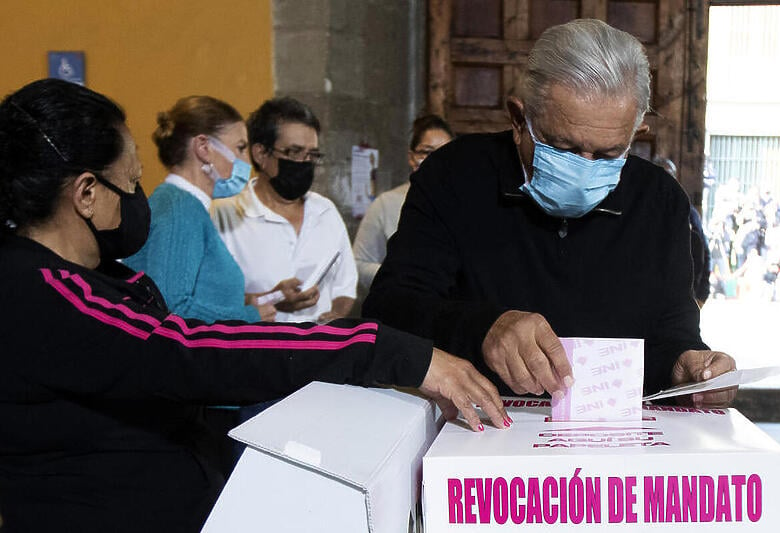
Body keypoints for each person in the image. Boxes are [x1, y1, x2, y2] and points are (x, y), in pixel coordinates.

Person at [0, 79, 509, 533]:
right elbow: (185, 350)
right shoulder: (38, 288)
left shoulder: (96, 276)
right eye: (131, 185)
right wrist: (381, 347)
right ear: (87, 193)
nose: (140, 199)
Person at [363, 19, 737, 408]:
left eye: (609, 153)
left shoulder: (660, 201)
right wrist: (484, 328)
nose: (585, 168)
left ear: (635, 132)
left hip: (613, 440)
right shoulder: (452, 176)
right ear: (518, 120)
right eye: (563, 147)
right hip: (479, 430)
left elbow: (671, 331)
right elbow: (389, 310)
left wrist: (687, 366)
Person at [124, 96, 295, 323]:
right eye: (240, 148)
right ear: (204, 148)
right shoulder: (180, 208)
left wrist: (252, 302)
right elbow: (171, 307)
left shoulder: (185, 205)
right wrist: (250, 316)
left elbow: (198, 293)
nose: (247, 161)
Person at [212, 97, 356, 323]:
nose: (304, 163)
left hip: (320, 351)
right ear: (261, 154)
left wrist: (335, 315)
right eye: (294, 152)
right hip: (257, 350)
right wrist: (271, 299)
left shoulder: (325, 211)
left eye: (312, 155)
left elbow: (345, 285)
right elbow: (210, 299)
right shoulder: (224, 215)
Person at [353, 114, 454, 289]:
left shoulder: (462, 206)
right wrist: (400, 277)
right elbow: (359, 264)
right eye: (427, 152)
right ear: (411, 156)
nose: (435, 160)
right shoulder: (386, 204)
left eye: (444, 153)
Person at [652, 155, 711, 307]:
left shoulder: (688, 213)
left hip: (683, 297)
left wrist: (702, 294)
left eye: (670, 176)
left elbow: (704, 251)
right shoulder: (643, 211)